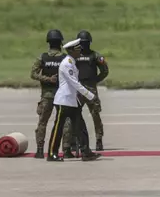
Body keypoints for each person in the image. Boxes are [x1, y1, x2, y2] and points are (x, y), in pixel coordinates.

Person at [46, 39, 101, 162]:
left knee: (80, 127)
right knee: (58, 128)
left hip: (72, 101)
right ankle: (52, 154)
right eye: (77, 49)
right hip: (63, 101)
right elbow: (74, 83)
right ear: (71, 51)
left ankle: (86, 152)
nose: (80, 51)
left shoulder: (72, 62)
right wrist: (89, 95)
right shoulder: (67, 63)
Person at [62, 30, 109, 156]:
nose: (84, 45)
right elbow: (105, 71)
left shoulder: (89, 56)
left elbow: (104, 70)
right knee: (84, 116)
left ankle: (95, 140)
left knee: (93, 115)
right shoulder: (91, 55)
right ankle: (73, 142)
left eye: (85, 43)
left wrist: (94, 80)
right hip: (82, 88)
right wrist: (95, 81)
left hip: (82, 88)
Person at [30, 29, 66, 159]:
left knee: (42, 122)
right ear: (60, 43)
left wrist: (46, 79)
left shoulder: (42, 57)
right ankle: (66, 149)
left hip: (47, 95)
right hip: (62, 95)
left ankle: (40, 150)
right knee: (65, 122)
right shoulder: (65, 58)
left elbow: (33, 74)